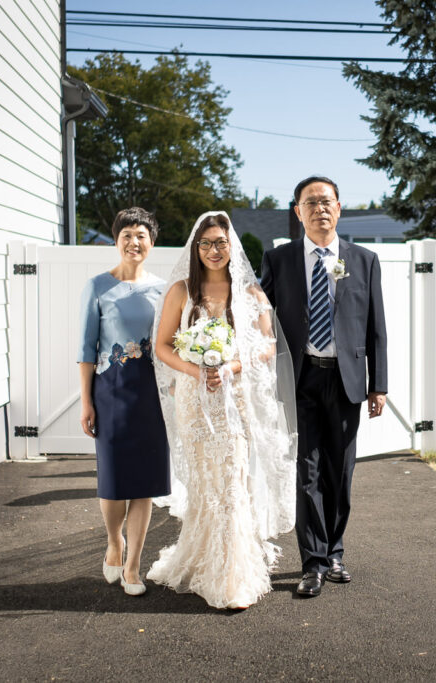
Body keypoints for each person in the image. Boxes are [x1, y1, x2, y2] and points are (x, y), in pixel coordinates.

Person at [147, 211, 296, 610]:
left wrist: (230, 367)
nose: (214, 250)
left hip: (235, 399)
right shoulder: (181, 291)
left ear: (233, 247)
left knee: (232, 480)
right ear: (196, 249)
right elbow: (162, 346)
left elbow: (267, 346)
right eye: (207, 243)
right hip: (195, 402)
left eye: (221, 243)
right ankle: (200, 559)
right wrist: (196, 370)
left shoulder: (250, 293)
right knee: (204, 482)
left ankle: (232, 576)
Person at [260, 176, 387, 598]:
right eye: (310, 202)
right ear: (297, 212)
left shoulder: (364, 260)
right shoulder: (278, 261)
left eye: (326, 201)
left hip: (347, 380)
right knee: (306, 471)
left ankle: (335, 550)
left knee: (340, 471)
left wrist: (379, 384)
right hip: (300, 379)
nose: (320, 208)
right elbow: (260, 320)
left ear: (339, 207)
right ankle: (312, 562)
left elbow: (376, 329)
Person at [77, 207, 171, 597]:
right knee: (114, 482)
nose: (135, 242)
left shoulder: (165, 289)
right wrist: (87, 402)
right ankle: (115, 542)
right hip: (110, 391)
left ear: (152, 242)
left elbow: (170, 343)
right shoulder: (98, 286)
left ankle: (134, 567)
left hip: (151, 394)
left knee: (144, 483)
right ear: (117, 241)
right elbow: (86, 348)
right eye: (127, 236)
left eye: (142, 236)